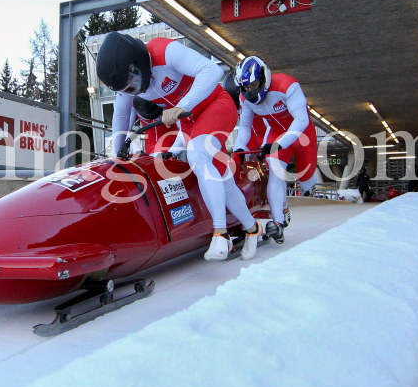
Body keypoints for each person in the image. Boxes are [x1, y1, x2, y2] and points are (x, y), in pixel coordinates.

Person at [97, 33, 260, 261]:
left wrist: (182, 105)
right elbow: (122, 114)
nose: (135, 90)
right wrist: (116, 153)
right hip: (189, 122)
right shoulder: (129, 83)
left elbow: (213, 71)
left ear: (138, 64)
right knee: (224, 181)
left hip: (216, 106)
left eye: (134, 83)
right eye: (129, 89)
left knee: (198, 156)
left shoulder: (165, 51)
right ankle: (252, 229)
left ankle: (221, 233)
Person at [231, 56, 320, 244]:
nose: (251, 91)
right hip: (277, 133)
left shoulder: (288, 86)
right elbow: (245, 127)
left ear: (264, 78)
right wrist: (239, 147)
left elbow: (301, 120)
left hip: (302, 134)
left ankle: (295, 196)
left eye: (254, 85)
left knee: (306, 181)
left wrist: (280, 144)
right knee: (274, 170)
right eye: (246, 87)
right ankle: (278, 223)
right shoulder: (244, 98)